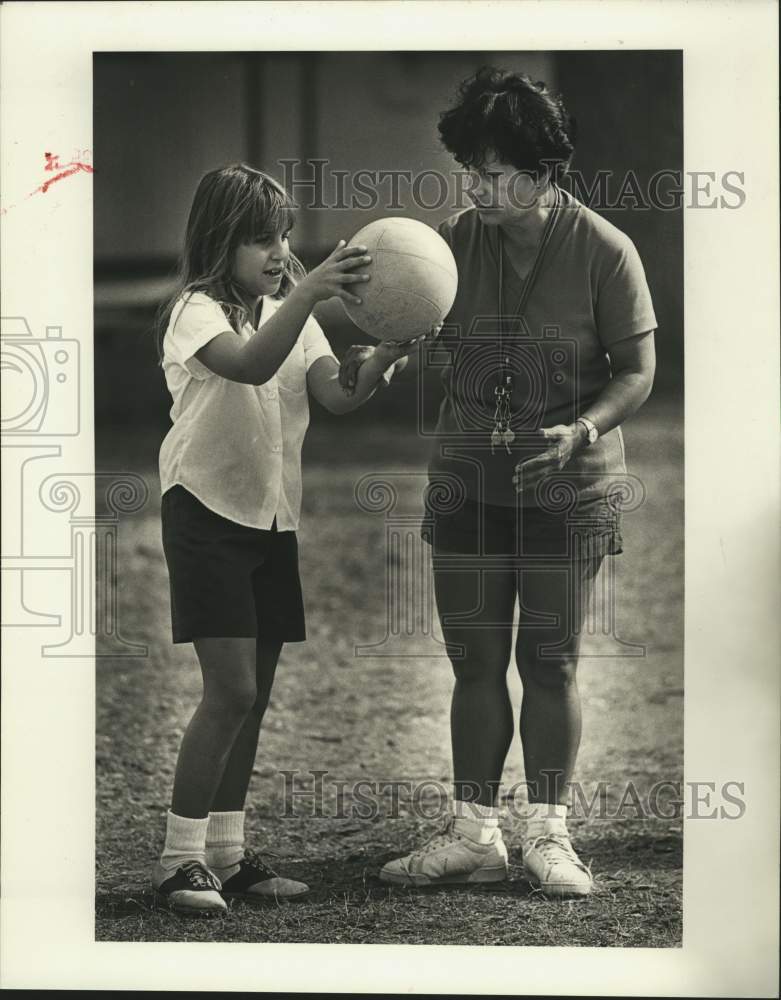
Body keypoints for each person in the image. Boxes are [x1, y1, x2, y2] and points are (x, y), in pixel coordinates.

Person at [341, 68, 656, 897]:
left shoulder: (604, 250)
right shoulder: (448, 245)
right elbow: (415, 328)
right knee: (473, 661)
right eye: (468, 170)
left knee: (548, 661)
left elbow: (639, 370)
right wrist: (381, 351)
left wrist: (582, 428)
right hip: (467, 483)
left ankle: (548, 832)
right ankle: (474, 834)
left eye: (491, 171)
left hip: (570, 488)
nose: (474, 187)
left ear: (541, 170)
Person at [153, 164, 421, 915]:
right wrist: (306, 292)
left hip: (272, 517)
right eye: (258, 238)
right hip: (205, 513)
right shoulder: (194, 312)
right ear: (219, 240)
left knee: (255, 696)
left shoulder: (290, 312)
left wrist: (383, 357)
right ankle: (179, 861)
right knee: (230, 689)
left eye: (282, 236)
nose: (277, 250)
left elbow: (334, 394)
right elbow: (248, 365)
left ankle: (229, 857)